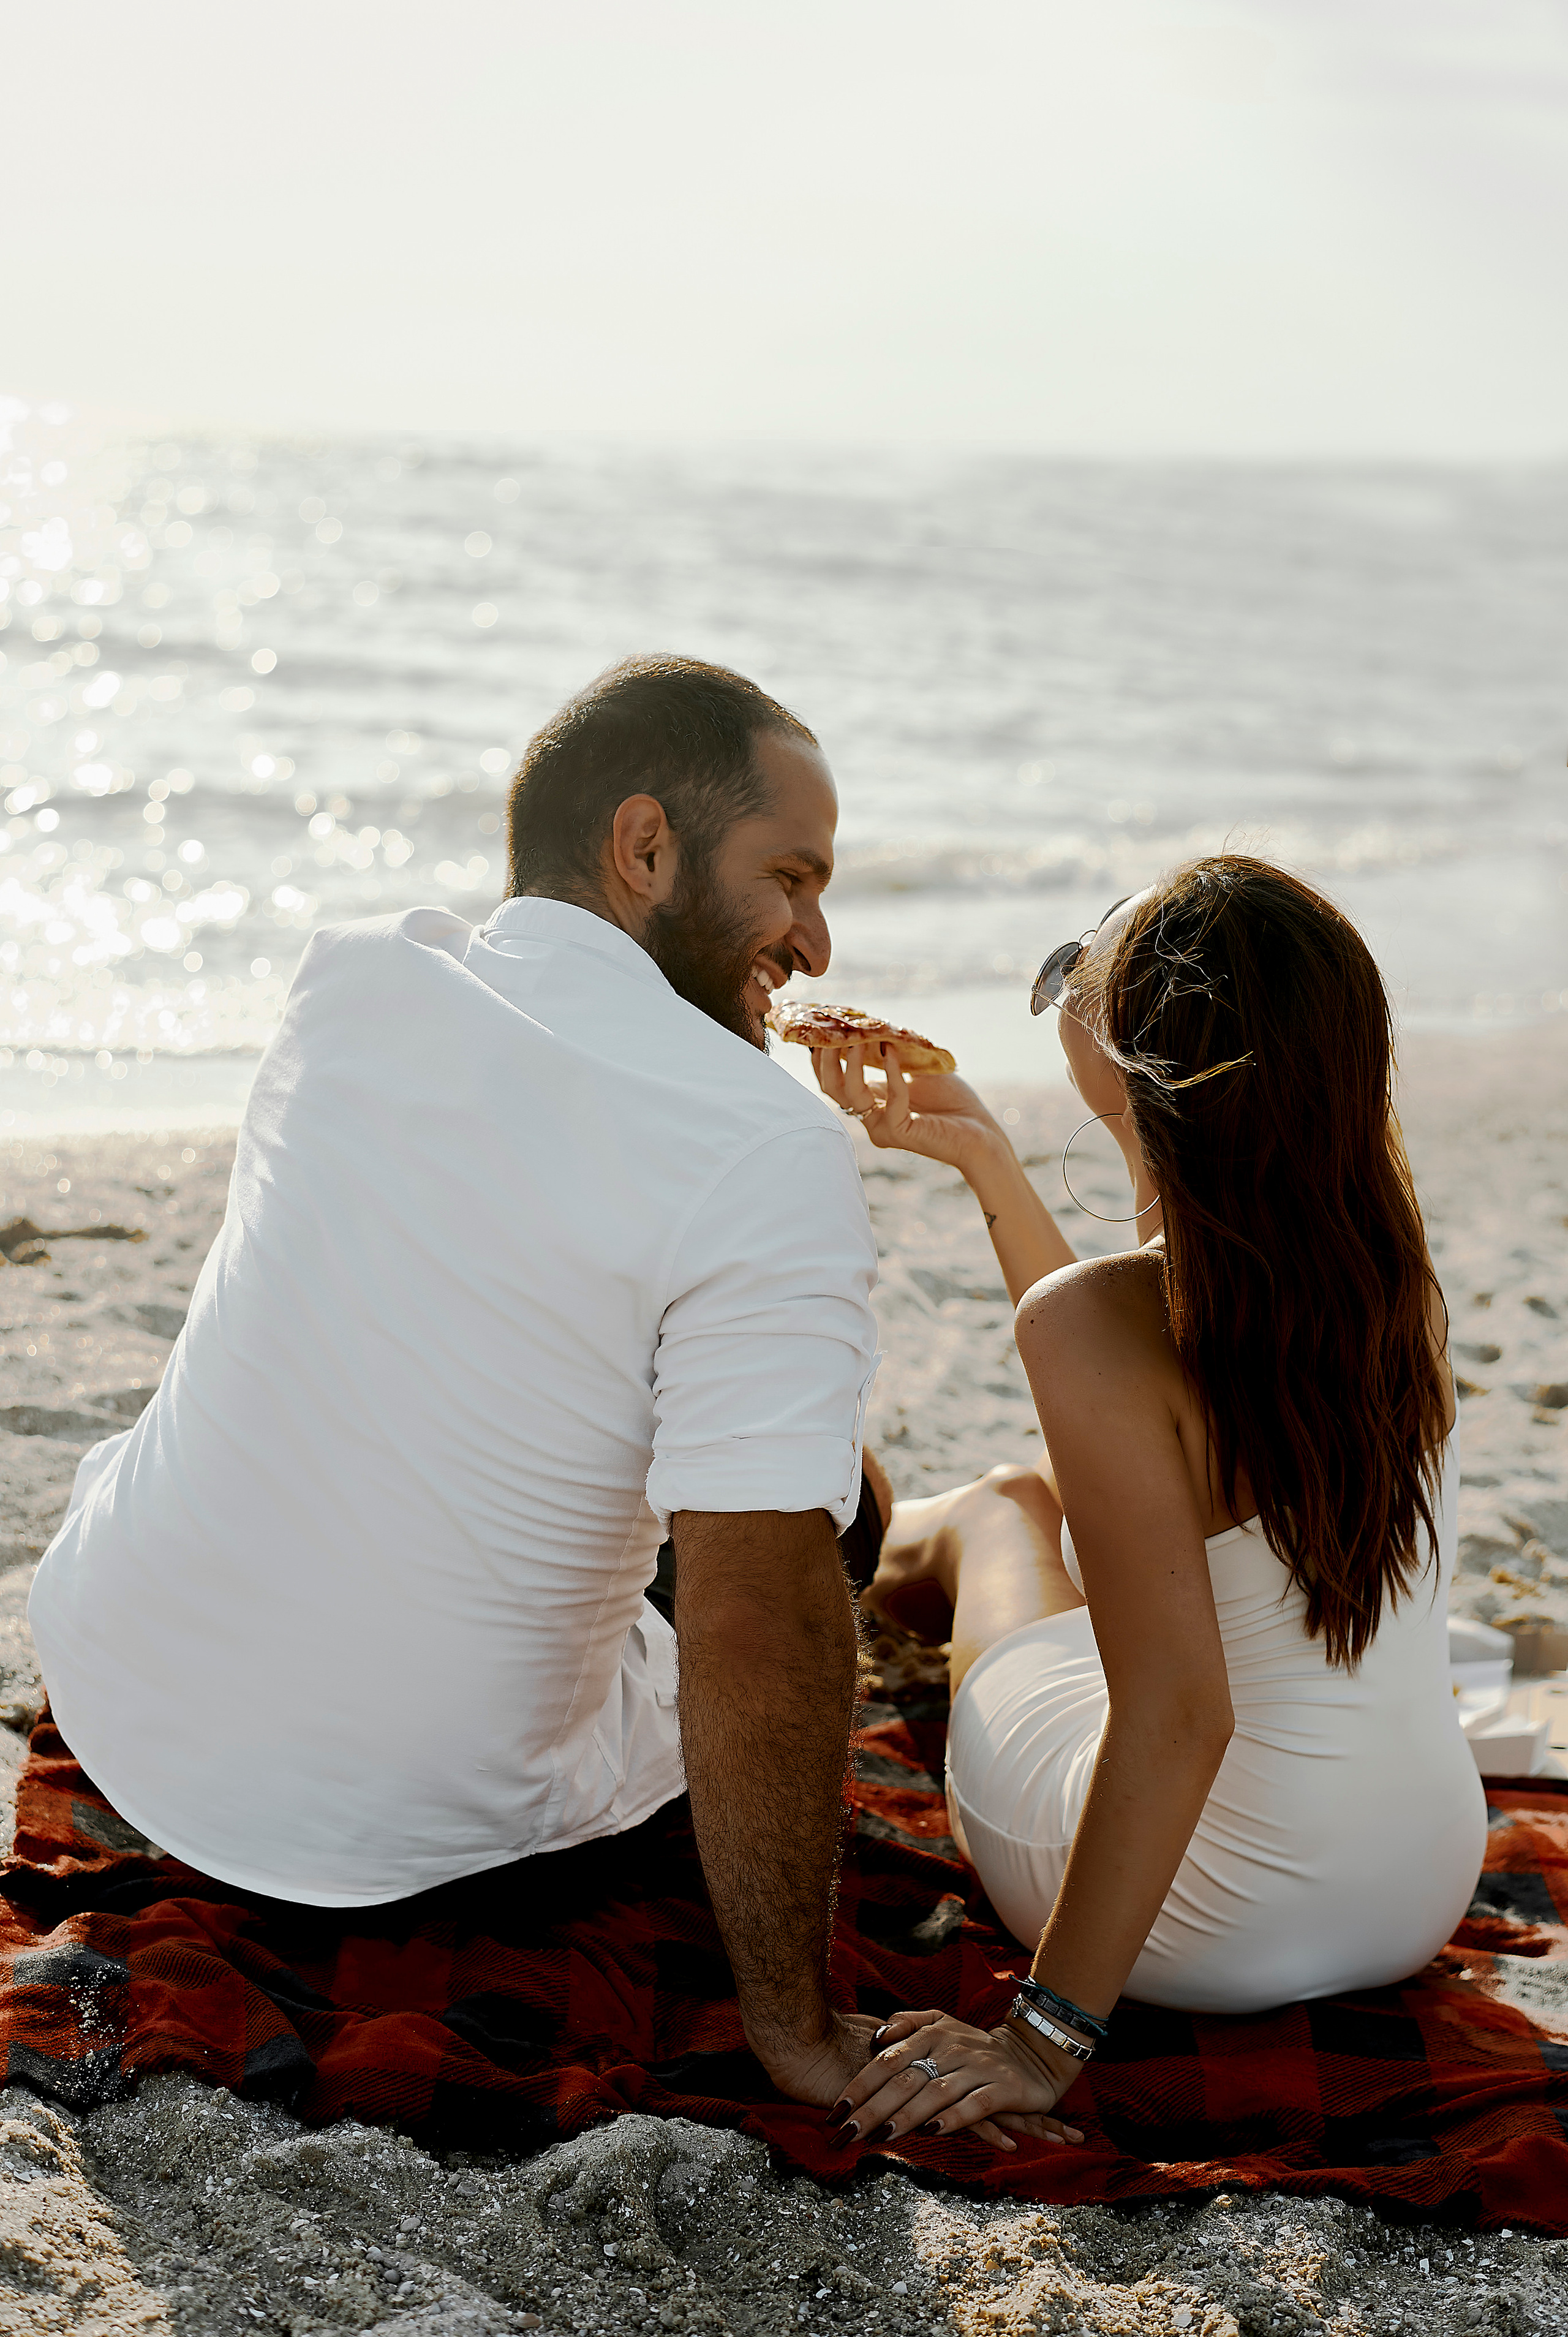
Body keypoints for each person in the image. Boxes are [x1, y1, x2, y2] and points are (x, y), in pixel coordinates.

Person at [31, 654, 892, 2109]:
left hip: (123, 1693)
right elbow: (752, 1608)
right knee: (835, 1524)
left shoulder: (351, 984)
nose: (813, 940)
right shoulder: (764, 1146)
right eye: (789, 879)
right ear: (643, 847)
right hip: (398, 1834)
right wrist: (793, 2027)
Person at [810, 855, 1485, 2153]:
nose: (1063, 971)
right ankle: (906, 1550)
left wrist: (1038, 2039)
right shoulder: (1384, 1279)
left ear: (1139, 1055)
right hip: (1415, 1885)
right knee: (1080, 1534)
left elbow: (1180, 1713)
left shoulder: (1108, 1325)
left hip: (1212, 1918)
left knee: (1007, 1508)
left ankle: (873, 1552)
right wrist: (984, 1157)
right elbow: (1142, 1343)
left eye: (1084, 960)